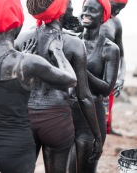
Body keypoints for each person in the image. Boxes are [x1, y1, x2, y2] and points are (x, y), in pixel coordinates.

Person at [0, 0, 78, 172]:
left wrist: (21, 59)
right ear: (18, 22)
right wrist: (57, 52)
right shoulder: (28, 62)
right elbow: (71, 79)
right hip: (15, 148)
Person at [15, 0, 103, 172]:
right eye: (69, 3)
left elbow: (14, 84)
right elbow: (83, 96)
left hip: (25, 118)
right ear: (60, 9)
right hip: (56, 120)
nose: (72, 7)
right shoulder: (74, 43)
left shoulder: (21, 39)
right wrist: (97, 136)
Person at [68, 0, 120, 172]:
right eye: (84, 9)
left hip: (90, 120)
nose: (86, 13)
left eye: (93, 10)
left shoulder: (110, 49)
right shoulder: (71, 42)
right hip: (67, 115)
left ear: (103, 17)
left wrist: (82, 69)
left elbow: (106, 88)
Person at [100, 0, 128, 135]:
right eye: (116, 7)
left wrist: (121, 78)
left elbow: (122, 56)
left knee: (106, 110)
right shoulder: (90, 16)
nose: (118, 12)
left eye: (122, 9)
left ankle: (108, 128)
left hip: (108, 75)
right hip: (90, 74)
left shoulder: (115, 23)